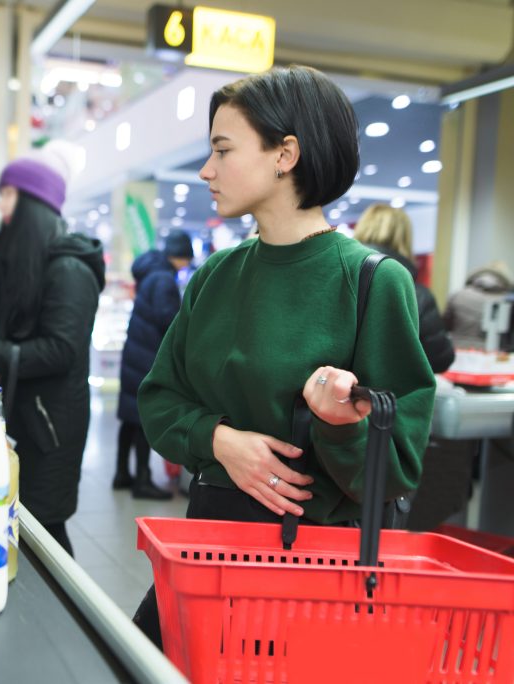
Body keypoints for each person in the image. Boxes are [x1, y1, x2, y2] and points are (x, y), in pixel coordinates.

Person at [131, 66, 436, 647]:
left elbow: (395, 468)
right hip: (207, 554)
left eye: (223, 149)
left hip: (311, 578)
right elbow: (159, 398)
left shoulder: (373, 282)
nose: (206, 169)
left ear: (285, 154)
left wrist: (340, 423)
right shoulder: (217, 275)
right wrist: (221, 441)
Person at [0, 143, 105, 556]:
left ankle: (65, 620)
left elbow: (57, 351)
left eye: (7, 195)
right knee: (26, 528)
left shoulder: (69, 268)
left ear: (32, 202)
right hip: (24, 423)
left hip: (48, 432)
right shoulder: (30, 265)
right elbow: (15, 334)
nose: (0, 209)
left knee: (46, 533)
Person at [115, 230, 194, 499]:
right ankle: (142, 481)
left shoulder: (151, 273)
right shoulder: (163, 279)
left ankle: (122, 474)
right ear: (181, 256)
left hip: (135, 353)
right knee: (140, 420)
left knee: (128, 419)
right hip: (148, 357)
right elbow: (168, 320)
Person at [353, 204, 455, 372]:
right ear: (405, 238)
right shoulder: (417, 295)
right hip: (390, 395)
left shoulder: (337, 280)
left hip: (333, 392)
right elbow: (439, 358)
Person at [443, 260, 514, 350]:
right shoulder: (506, 300)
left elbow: (445, 326)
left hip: (457, 351)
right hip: (494, 355)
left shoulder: (458, 295)